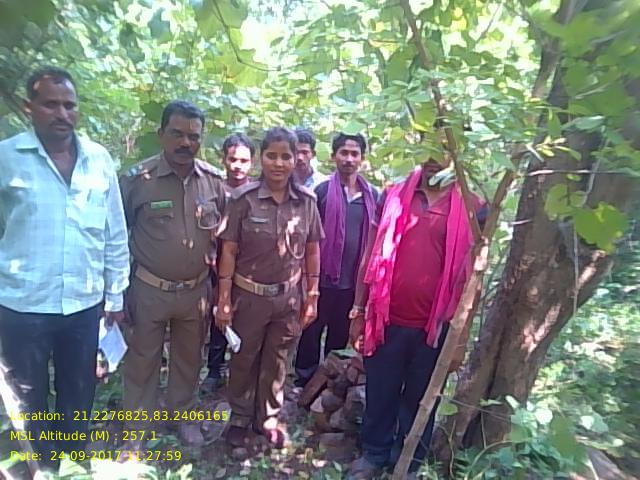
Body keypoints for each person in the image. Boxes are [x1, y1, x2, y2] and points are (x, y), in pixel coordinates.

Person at [0, 66, 130, 469]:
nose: (62, 113)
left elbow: (114, 231)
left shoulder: (98, 160)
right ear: (29, 107)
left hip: (83, 304)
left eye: (69, 105)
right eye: (51, 104)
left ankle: (72, 463)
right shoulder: (7, 158)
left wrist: (115, 295)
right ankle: (38, 468)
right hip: (23, 304)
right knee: (28, 396)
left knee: (79, 392)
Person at [347, 158, 488, 479]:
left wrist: (461, 339)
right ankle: (374, 454)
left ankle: (408, 463)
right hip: (385, 319)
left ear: (455, 151)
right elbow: (370, 254)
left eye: (442, 150)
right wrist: (358, 309)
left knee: (421, 399)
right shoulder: (393, 196)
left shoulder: (474, 208)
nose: (435, 159)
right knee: (381, 390)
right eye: (429, 148)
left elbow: (474, 279)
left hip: (435, 329)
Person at [119, 100, 226, 446]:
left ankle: (183, 416)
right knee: (142, 360)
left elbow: (222, 237)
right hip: (149, 288)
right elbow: (117, 234)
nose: (185, 143)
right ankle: (136, 431)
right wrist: (117, 292)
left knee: (188, 360)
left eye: (193, 136)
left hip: (195, 292)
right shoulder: (138, 180)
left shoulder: (213, 182)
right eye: (177, 134)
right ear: (161, 133)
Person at [216, 127, 324, 448]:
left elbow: (313, 249)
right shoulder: (243, 199)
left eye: (285, 156)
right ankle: (239, 416)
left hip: (288, 298)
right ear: (261, 158)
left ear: (295, 159)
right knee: (244, 358)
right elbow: (229, 250)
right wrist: (223, 299)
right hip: (248, 297)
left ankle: (268, 417)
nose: (279, 163)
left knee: (278, 359)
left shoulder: (306, 202)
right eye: (272, 156)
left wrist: (312, 295)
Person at [294, 133, 378, 386]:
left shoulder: (371, 196)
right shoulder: (321, 191)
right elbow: (307, 237)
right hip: (321, 279)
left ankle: (327, 383)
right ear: (333, 156)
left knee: (339, 335)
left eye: (354, 154)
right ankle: (303, 381)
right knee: (311, 332)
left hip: (352, 282)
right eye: (344, 153)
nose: (349, 159)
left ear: (362, 159)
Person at [202, 132, 255, 393]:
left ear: (252, 163)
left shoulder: (257, 193)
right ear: (224, 160)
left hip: (248, 268)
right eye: (233, 159)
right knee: (218, 315)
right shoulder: (214, 191)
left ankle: (242, 371)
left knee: (246, 318)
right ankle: (214, 369)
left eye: (243, 161)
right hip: (215, 265)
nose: (237, 166)